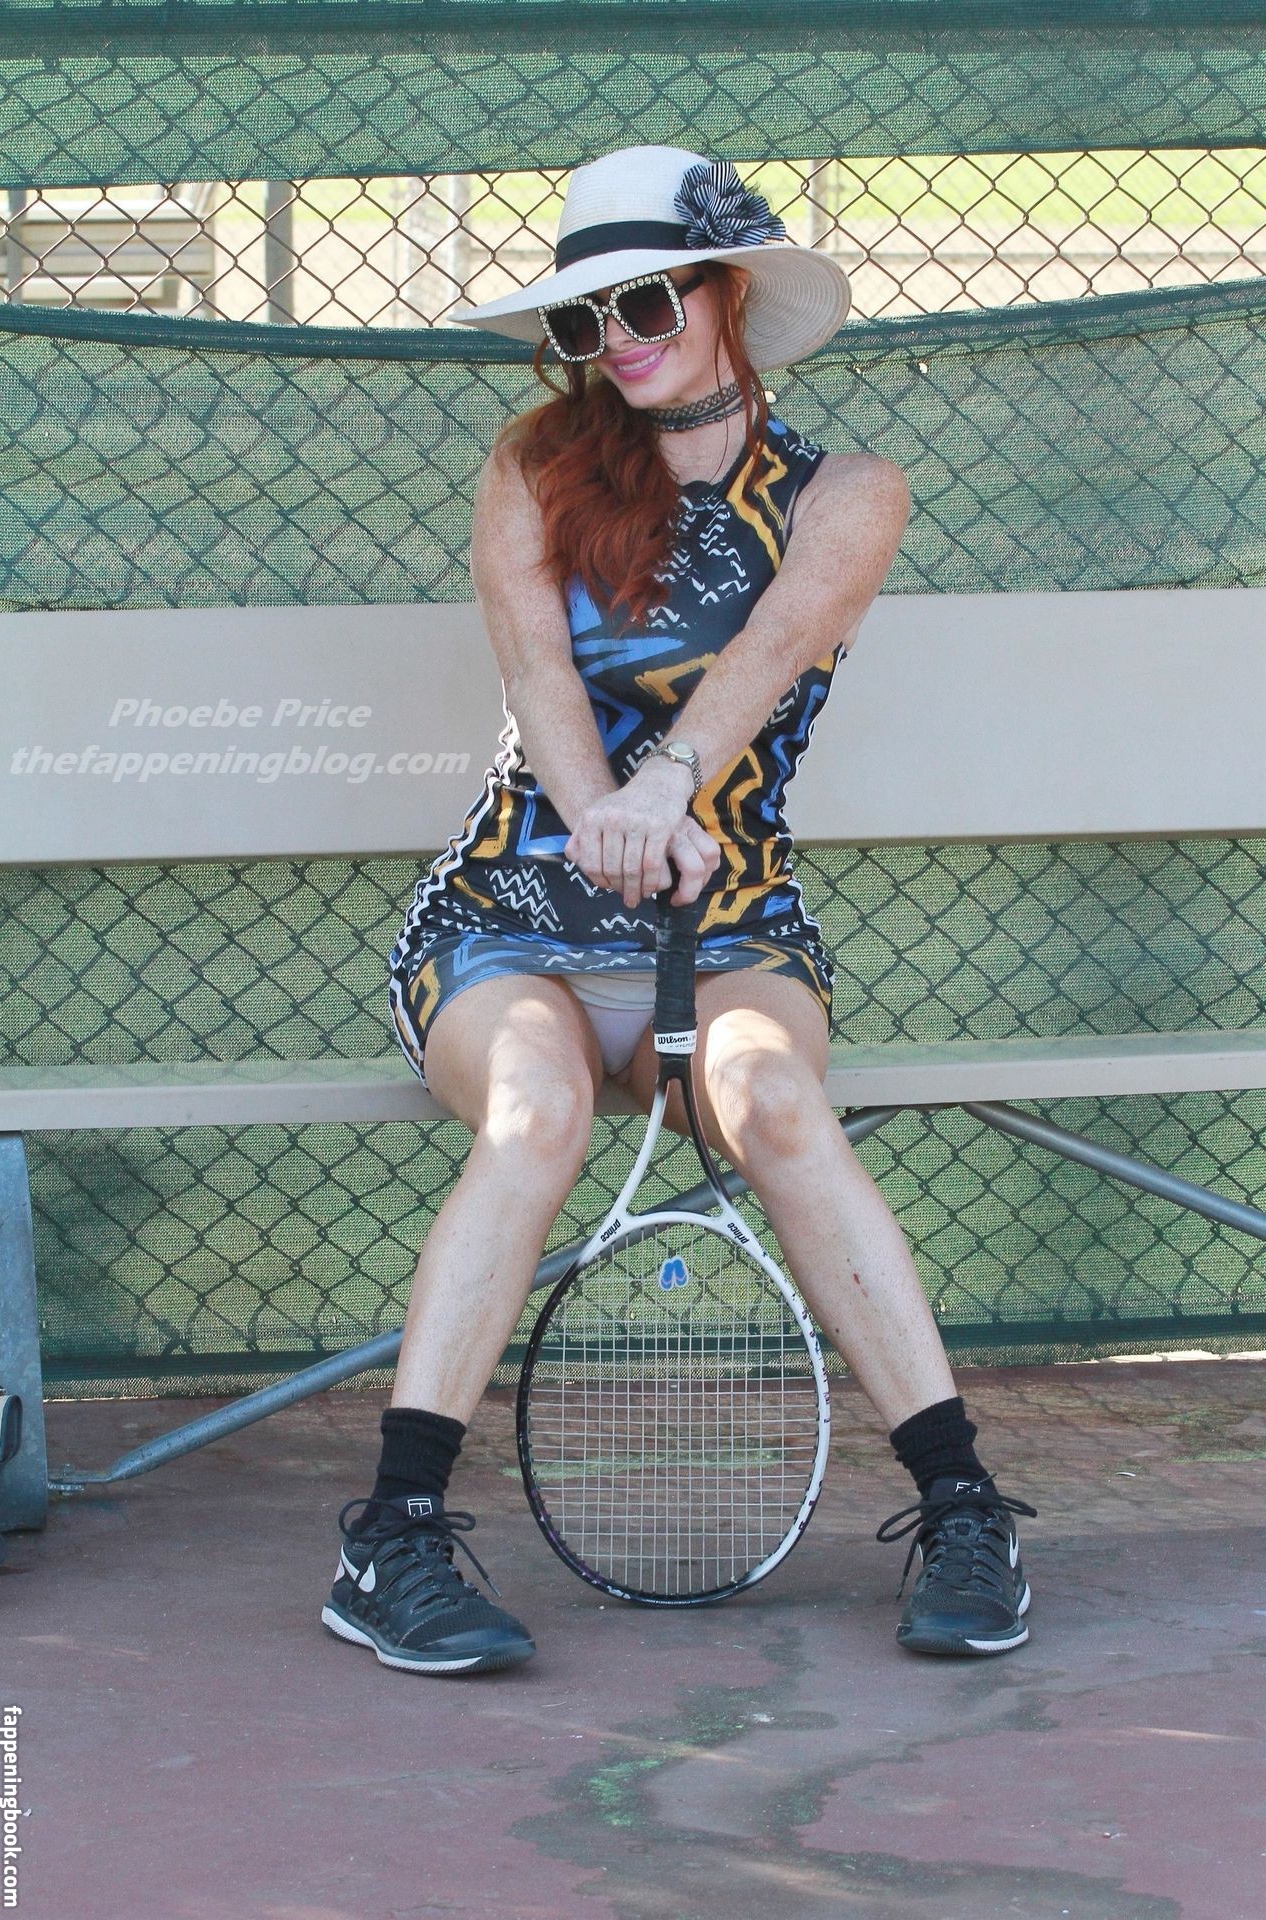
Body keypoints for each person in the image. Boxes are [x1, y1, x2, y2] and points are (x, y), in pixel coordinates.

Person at [321, 143, 1036, 1677]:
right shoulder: (533, 465)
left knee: (775, 1101)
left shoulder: (848, 495)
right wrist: (605, 816)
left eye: (644, 301)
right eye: (582, 319)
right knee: (535, 1112)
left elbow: (773, 651)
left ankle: (966, 1508)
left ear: (726, 295)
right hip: (509, 910)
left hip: (727, 920)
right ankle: (390, 1540)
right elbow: (534, 673)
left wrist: (673, 788)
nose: (616, 340)